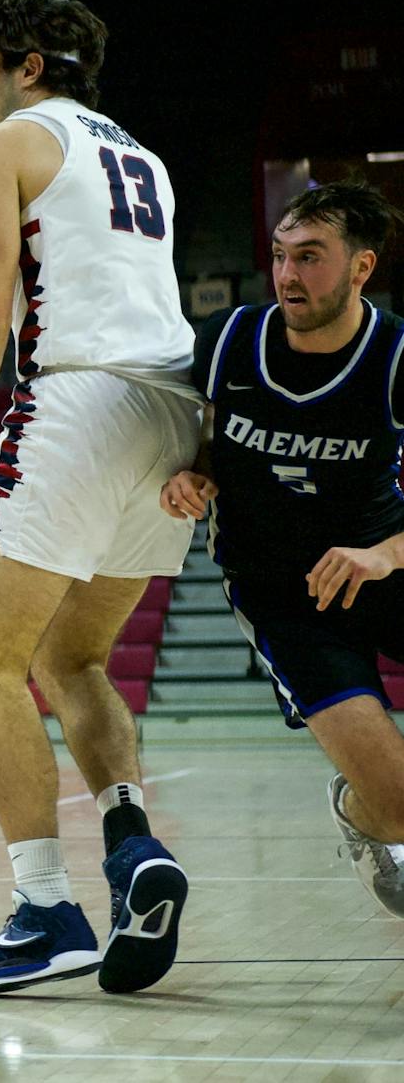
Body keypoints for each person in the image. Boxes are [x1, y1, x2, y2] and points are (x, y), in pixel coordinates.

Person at [0, 0, 201, 997]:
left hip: (76, 401)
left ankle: (42, 908)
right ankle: (129, 843)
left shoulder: (5, 146)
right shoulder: (143, 159)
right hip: (169, 417)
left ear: (26, 65)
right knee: (73, 659)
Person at [164, 180, 404, 914]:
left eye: (310, 257)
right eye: (279, 256)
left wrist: (386, 555)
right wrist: (192, 474)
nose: (289, 275)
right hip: (282, 596)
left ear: (362, 268)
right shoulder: (228, 340)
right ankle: (366, 809)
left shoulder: (395, 355)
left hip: (382, 566)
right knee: (398, 806)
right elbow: (203, 442)